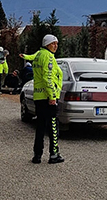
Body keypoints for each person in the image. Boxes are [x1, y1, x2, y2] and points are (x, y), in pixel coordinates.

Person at [31, 35, 65, 164]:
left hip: (39, 96)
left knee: (40, 126)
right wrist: (52, 96)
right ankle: (54, 154)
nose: (55, 46)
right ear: (47, 44)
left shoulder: (38, 55)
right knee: (53, 127)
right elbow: (48, 77)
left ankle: (37, 155)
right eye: (53, 44)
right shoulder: (49, 57)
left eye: (57, 43)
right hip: (47, 97)